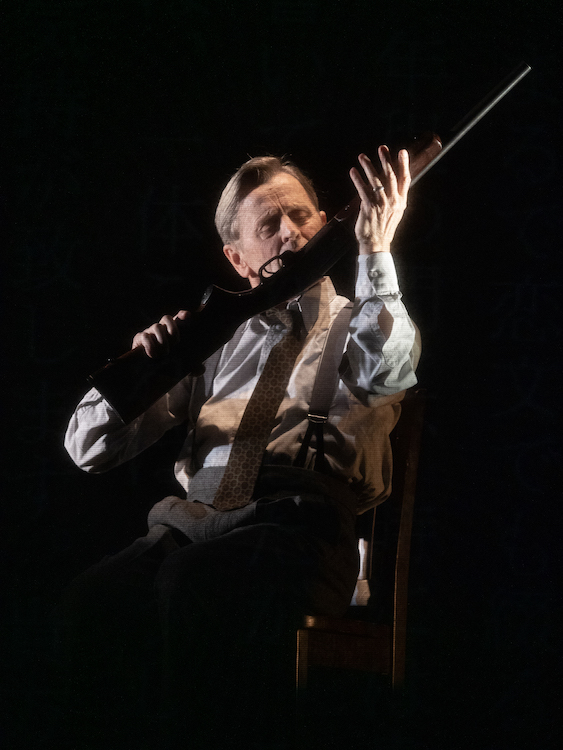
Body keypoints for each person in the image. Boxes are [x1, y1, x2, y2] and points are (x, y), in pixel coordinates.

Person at [59, 147, 420, 749]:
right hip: (191, 521)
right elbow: (86, 446)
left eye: (302, 217)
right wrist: (141, 366)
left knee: (198, 586)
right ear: (236, 257)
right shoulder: (213, 335)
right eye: (269, 225)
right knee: (91, 605)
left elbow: (389, 372)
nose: (291, 233)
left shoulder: (362, 318)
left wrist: (375, 251)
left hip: (299, 527)